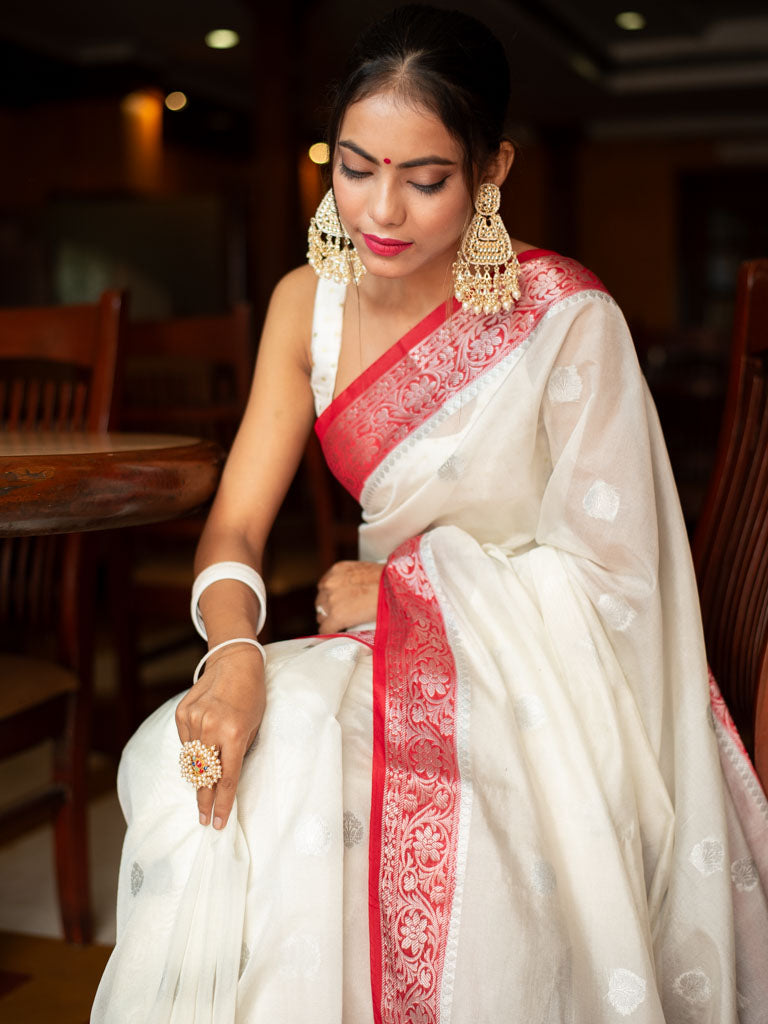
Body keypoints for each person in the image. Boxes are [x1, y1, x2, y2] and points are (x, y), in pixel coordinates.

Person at [92, 6, 768, 1021]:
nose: (383, 212)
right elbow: (233, 528)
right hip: (377, 640)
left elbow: (622, 584)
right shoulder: (304, 303)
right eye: (356, 167)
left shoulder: (568, 318)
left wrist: (409, 585)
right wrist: (232, 657)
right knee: (214, 773)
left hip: (534, 678)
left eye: (426, 178)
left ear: (492, 169)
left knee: (346, 806)